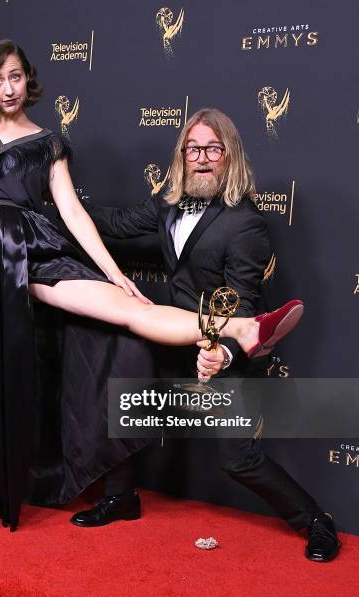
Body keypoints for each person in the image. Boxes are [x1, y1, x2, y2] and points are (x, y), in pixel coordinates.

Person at [0, 44, 302, 533]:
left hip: (33, 250)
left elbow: (73, 212)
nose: (8, 88)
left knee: (125, 309)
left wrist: (114, 272)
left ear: (27, 79)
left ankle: (243, 328)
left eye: (15, 77)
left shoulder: (48, 144)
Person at [76, 108, 340, 562]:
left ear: (229, 155)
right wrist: (55, 202)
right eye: (193, 148)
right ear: (182, 155)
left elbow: (243, 307)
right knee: (116, 383)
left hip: (217, 351)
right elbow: (118, 224)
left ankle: (316, 520)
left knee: (237, 459)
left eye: (212, 149)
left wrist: (225, 355)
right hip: (171, 337)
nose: (201, 158)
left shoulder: (246, 224)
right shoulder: (168, 202)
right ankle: (122, 496)